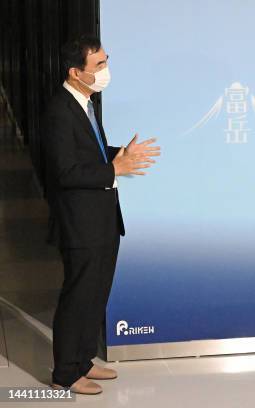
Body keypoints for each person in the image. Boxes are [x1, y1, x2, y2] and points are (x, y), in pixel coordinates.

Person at [41, 34, 161, 395]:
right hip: (80, 224)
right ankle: (64, 373)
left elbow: (88, 154)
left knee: (96, 294)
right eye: (100, 65)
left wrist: (119, 152)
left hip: (103, 219)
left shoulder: (87, 104)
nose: (106, 71)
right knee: (78, 296)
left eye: (106, 61)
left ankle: (82, 362)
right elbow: (65, 172)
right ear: (76, 72)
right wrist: (115, 170)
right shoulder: (59, 111)